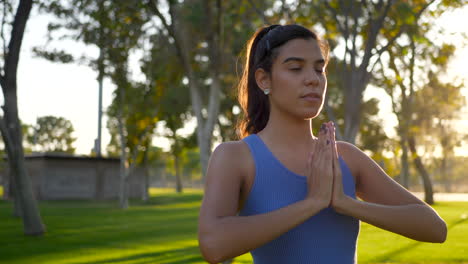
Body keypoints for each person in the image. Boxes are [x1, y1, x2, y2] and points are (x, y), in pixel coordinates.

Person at [198, 24, 446, 264]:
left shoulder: (345, 157)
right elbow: (213, 245)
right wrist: (312, 203)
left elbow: (435, 228)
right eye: (295, 68)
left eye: (319, 69)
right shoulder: (236, 157)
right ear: (264, 80)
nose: (313, 80)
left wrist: (346, 204)